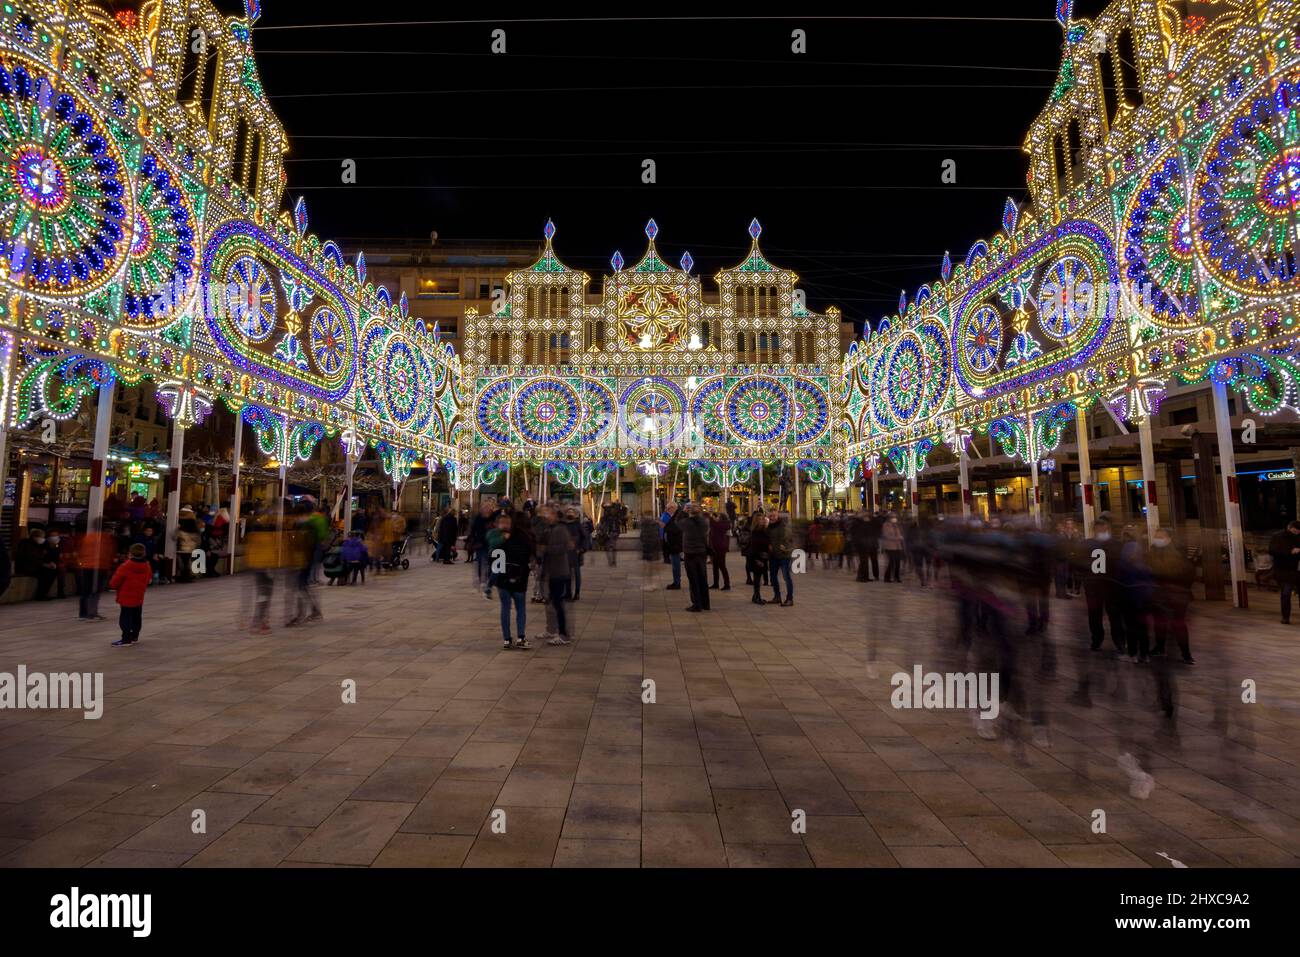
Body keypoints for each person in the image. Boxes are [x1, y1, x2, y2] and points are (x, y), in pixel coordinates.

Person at [1148, 528, 1194, 663]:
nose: (1157, 539)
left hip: (1175, 595)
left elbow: (1186, 573)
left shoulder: (1176, 555)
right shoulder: (1153, 552)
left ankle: (1185, 653)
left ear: (1169, 538)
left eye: (1161, 536)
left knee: (1178, 624)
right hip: (1162, 594)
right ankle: (1161, 648)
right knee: (1160, 623)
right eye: (1156, 536)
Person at [494, 513, 534, 650]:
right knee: (520, 608)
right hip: (519, 578)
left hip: (502, 577)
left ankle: (506, 639)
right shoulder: (527, 539)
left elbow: (492, 556)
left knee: (505, 608)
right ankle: (521, 637)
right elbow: (530, 557)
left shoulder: (502, 538)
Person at [537, 505, 574, 645]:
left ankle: (564, 634)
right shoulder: (549, 529)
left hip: (559, 571)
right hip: (552, 570)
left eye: (548, 513)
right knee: (552, 601)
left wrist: (546, 549)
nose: (545, 516)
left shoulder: (560, 529)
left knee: (557, 603)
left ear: (554, 515)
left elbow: (566, 546)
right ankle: (552, 630)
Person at [108, 543, 152, 646]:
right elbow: (149, 578)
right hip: (139, 595)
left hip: (126, 596)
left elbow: (114, 583)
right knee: (137, 616)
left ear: (130, 554)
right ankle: (134, 636)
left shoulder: (125, 566)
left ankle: (126, 639)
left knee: (125, 617)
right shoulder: (146, 565)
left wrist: (112, 586)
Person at [680, 502, 711, 612]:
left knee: (693, 579)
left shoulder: (687, 523)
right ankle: (706, 603)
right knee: (703, 578)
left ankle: (697, 603)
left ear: (689, 512)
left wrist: (683, 511)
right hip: (702, 552)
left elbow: (677, 523)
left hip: (690, 553)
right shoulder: (705, 522)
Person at [1268, 520, 1300, 624]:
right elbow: (1272, 551)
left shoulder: (1299, 536)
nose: (1296, 533)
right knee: (1286, 593)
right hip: (1285, 570)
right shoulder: (1277, 536)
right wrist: (1290, 551)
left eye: (1298, 532)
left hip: (1298, 569)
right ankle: (1285, 617)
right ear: (1289, 527)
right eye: (1295, 531)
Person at [13, 527, 59, 600]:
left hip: (34, 567)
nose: (43, 539)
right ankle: (40, 594)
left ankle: (43, 593)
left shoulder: (38, 545)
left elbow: (42, 557)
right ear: (35, 537)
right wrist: (44, 565)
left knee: (52, 571)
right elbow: (30, 559)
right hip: (25, 567)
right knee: (45, 573)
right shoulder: (26, 544)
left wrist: (49, 563)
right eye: (41, 537)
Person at [768, 509, 794, 606]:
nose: (772, 517)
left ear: (777, 515)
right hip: (774, 555)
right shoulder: (769, 527)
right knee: (773, 577)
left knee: (786, 577)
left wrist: (786, 547)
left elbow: (789, 538)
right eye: (770, 516)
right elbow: (768, 538)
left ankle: (790, 599)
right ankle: (777, 596)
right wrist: (769, 545)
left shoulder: (783, 526)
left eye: (774, 515)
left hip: (783, 556)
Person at [746, 513, 771, 605]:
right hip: (757, 557)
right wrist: (757, 560)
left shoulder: (764, 530)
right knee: (757, 579)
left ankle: (755, 596)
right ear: (757, 521)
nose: (762, 521)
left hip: (763, 557)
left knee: (758, 577)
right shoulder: (756, 532)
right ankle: (757, 597)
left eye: (763, 519)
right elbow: (754, 547)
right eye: (760, 519)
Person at [708, 508, 732, 590]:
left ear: (721, 518)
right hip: (716, 547)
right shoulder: (719, 524)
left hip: (720, 547)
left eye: (717, 517)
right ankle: (716, 583)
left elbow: (712, 522)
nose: (716, 518)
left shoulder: (720, 525)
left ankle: (727, 584)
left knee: (722, 566)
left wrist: (710, 514)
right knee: (715, 566)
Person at [663, 504, 684, 590]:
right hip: (673, 545)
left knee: (676, 565)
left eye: (668, 508)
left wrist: (666, 528)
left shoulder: (677, 517)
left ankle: (677, 583)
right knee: (675, 565)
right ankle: (676, 582)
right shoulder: (676, 516)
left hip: (675, 545)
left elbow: (675, 529)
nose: (667, 510)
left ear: (673, 508)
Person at [881, 514, 904, 583]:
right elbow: (886, 535)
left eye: (895, 517)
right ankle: (887, 577)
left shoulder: (896, 525)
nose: (894, 519)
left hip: (897, 546)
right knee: (891, 562)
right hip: (889, 546)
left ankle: (897, 577)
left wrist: (900, 537)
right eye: (893, 517)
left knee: (898, 563)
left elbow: (899, 533)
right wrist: (897, 538)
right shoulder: (886, 525)